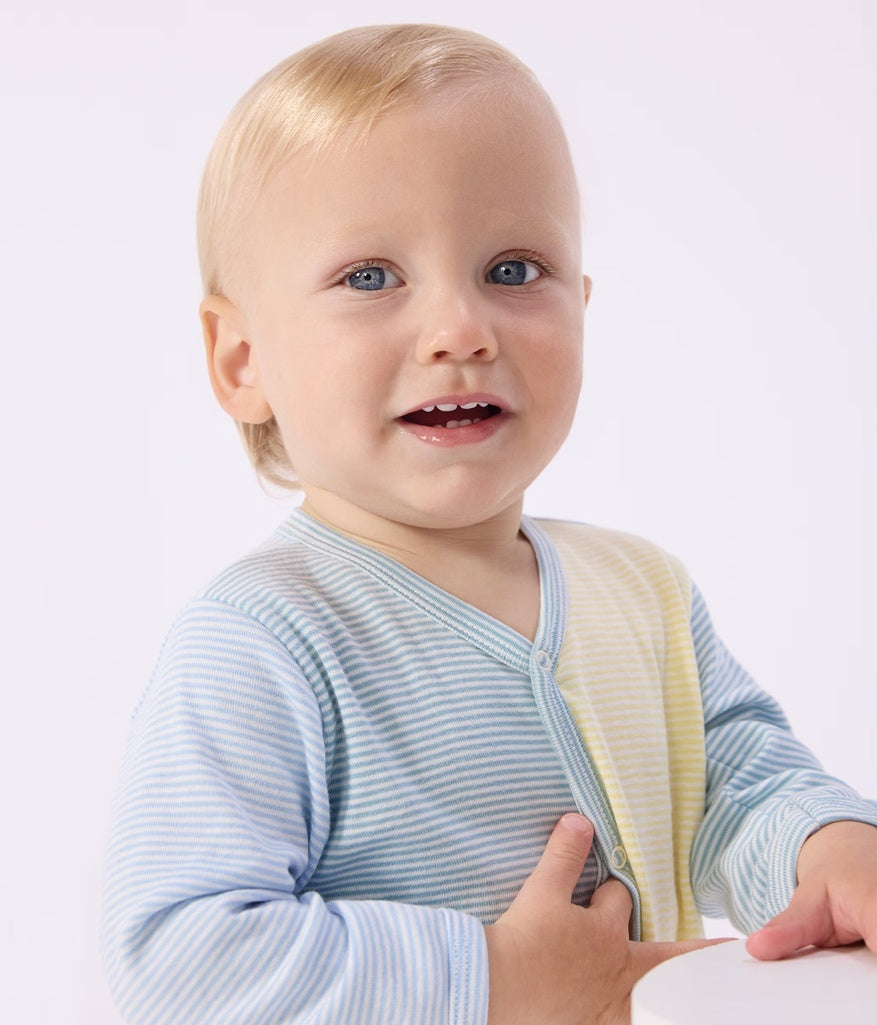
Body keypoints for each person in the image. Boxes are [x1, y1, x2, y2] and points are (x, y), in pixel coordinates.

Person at [100, 23, 877, 1025]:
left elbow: (740, 788)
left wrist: (829, 847)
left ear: (583, 304)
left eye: (513, 270)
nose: (461, 330)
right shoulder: (259, 642)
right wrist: (496, 975)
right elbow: (181, 956)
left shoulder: (641, 592)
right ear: (241, 357)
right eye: (371, 276)